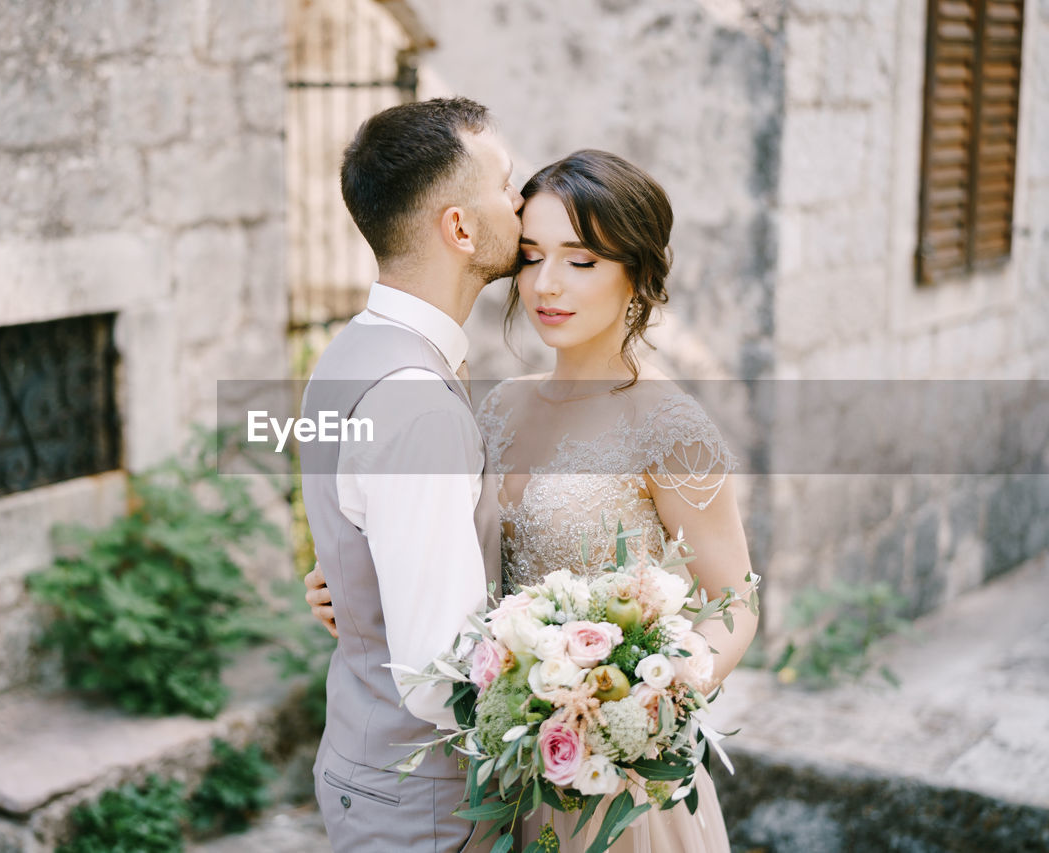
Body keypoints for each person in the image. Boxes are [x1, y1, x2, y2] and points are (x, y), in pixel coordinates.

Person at [306, 149, 758, 852]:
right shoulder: (499, 408)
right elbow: (454, 561)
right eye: (532, 256)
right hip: (506, 772)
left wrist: (639, 703)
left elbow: (736, 603)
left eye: (581, 261)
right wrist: (358, 586)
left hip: (617, 787)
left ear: (636, 272)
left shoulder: (670, 426)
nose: (547, 285)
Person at [298, 96, 523, 852]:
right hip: (425, 808)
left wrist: (356, 591)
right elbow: (440, 678)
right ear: (459, 227)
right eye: (507, 185)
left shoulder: (354, 349)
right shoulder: (416, 401)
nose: (520, 205)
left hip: (369, 765)